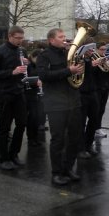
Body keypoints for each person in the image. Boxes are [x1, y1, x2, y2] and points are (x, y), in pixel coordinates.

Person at [37, 28, 84, 185]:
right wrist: (68, 71)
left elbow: (77, 75)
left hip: (73, 101)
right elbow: (44, 76)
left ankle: (68, 169)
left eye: (65, 36)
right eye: (61, 37)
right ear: (51, 40)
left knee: (74, 138)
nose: (65, 39)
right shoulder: (44, 56)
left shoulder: (69, 53)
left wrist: (80, 69)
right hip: (56, 103)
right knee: (58, 140)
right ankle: (56, 173)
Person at [0, 26, 29, 170]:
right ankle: (4, 158)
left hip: (18, 91)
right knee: (4, 127)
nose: (20, 41)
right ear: (10, 36)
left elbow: (23, 71)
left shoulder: (21, 50)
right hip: (4, 93)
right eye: (18, 38)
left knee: (22, 123)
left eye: (22, 38)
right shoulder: (0, 51)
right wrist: (12, 71)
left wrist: (26, 65)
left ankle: (14, 153)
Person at [77, 43, 101, 159]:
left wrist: (100, 65)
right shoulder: (78, 59)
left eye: (93, 49)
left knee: (94, 120)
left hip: (93, 92)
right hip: (81, 93)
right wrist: (91, 65)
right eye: (89, 49)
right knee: (81, 122)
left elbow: (96, 76)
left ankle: (88, 144)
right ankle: (80, 148)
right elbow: (80, 74)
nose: (92, 51)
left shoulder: (92, 58)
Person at [92, 42, 109, 140]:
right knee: (95, 110)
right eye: (101, 49)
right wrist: (98, 64)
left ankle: (98, 128)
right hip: (96, 87)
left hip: (105, 86)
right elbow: (92, 73)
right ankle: (93, 128)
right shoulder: (93, 59)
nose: (103, 51)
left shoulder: (106, 58)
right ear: (96, 49)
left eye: (105, 49)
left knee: (102, 109)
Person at [23, 48, 44, 148]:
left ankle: (35, 138)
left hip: (36, 93)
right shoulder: (28, 66)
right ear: (33, 57)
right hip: (29, 94)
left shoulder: (38, 65)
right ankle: (31, 138)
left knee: (37, 117)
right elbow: (27, 78)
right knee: (32, 117)